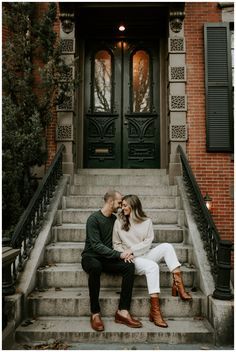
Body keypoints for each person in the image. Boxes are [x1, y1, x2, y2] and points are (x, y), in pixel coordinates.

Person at [112, 194, 192, 328]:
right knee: (153, 267)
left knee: (167, 246)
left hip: (144, 254)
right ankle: (155, 312)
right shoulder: (119, 221)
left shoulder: (146, 221)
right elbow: (116, 243)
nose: (122, 208)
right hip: (131, 260)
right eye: (122, 205)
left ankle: (178, 284)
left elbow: (147, 243)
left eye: (125, 205)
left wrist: (132, 249)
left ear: (133, 206)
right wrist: (125, 253)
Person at [81, 190, 142, 332]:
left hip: (108, 258)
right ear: (110, 202)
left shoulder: (115, 220)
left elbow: (124, 237)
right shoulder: (93, 219)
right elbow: (96, 246)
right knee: (95, 267)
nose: (121, 205)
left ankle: (123, 311)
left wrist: (126, 253)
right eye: (119, 202)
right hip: (91, 257)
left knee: (129, 266)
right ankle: (95, 313)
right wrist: (118, 255)